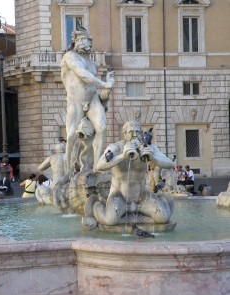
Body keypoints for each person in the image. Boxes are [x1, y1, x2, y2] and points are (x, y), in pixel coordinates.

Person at [92, 121, 174, 225]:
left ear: (141, 133)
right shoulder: (116, 148)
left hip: (141, 196)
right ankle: (96, 206)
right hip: (119, 196)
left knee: (163, 218)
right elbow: (99, 166)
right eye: (131, 132)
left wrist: (152, 158)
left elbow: (169, 164)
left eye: (137, 132)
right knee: (110, 221)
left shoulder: (148, 147)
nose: (134, 135)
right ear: (125, 134)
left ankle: (158, 203)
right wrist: (122, 156)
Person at [61, 26, 115, 173]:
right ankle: (68, 172)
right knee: (71, 135)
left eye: (90, 41)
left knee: (102, 129)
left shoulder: (92, 63)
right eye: (85, 40)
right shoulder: (70, 56)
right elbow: (82, 74)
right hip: (76, 100)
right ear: (76, 41)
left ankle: (97, 169)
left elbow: (98, 88)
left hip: (92, 99)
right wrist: (104, 83)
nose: (89, 44)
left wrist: (107, 88)